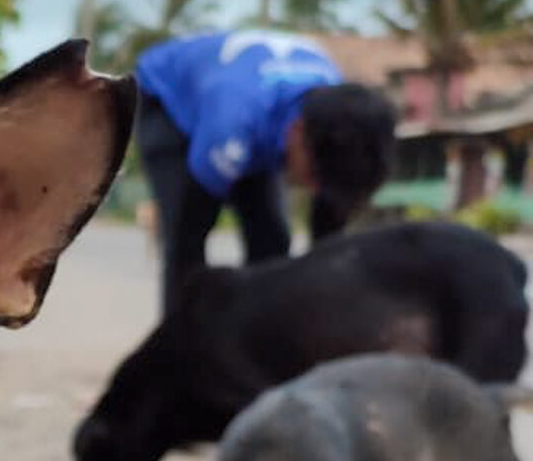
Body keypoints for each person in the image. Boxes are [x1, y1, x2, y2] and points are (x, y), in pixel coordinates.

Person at [134, 30, 397, 311]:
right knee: (185, 241)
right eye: (317, 179)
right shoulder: (231, 125)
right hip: (167, 101)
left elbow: (326, 243)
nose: (315, 190)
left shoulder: (340, 122)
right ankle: (179, 345)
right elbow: (190, 232)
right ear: (298, 135)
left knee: (271, 240)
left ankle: (261, 333)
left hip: (253, 101)